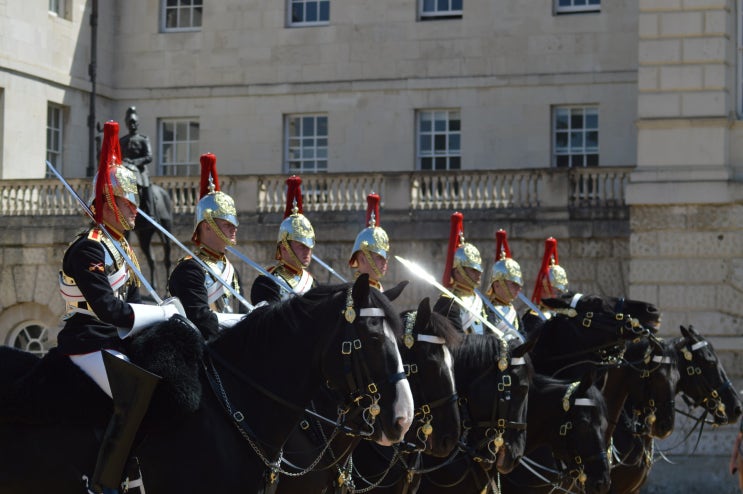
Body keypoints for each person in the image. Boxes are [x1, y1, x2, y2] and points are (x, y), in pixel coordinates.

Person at [57, 121, 182, 494]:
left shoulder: (120, 246)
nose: (135, 210)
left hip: (113, 341)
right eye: (129, 203)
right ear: (110, 201)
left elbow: (134, 302)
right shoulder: (89, 248)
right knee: (135, 394)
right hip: (87, 340)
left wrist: (165, 312)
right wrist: (162, 313)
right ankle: (105, 483)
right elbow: (111, 310)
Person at [167, 153, 248, 341]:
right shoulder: (190, 269)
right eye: (227, 224)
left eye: (233, 223)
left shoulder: (230, 269)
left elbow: (241, 312)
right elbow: (200, 320)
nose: (234, 228)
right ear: (207, 226)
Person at [250, 175, 316, 305]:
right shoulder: (267, 281)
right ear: (285, 248)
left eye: (309, 246)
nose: (307, 251)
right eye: (301, 245)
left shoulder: (312, 282)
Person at [432, 212, 488, 334]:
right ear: (458, 272)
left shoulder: (478, 299)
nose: (478, 274)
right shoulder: (448, 302)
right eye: (473, 270)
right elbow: (456, 342)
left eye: (479, 270)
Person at [486, 229, 526, 343]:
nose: (519, 288)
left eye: (518, 284)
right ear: (497, 285)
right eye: (514, 284)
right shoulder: (488, 310)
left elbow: (523, 336)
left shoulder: (513, 311)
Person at [523, 236, 570, 328]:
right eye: (557, 291)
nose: (559, 295)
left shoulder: (566, 314)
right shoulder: (533, 316)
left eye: (560, 292)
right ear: (545, 289)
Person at [349, 193, 390, 290]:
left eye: (385, 256)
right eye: (380, 257)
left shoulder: (377, 287)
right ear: (363, 259)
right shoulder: (355, 292)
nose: (385, 262)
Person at [119, 107, 154, 218]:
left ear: (137, 123)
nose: (132, 125)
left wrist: (134, 162)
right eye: (130, 122)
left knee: (146, 186)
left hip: (140, 170)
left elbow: (149, 157)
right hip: (125, 170)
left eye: (134, 122)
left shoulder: (143, 139)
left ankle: (150, 212)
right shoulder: (122, 140)